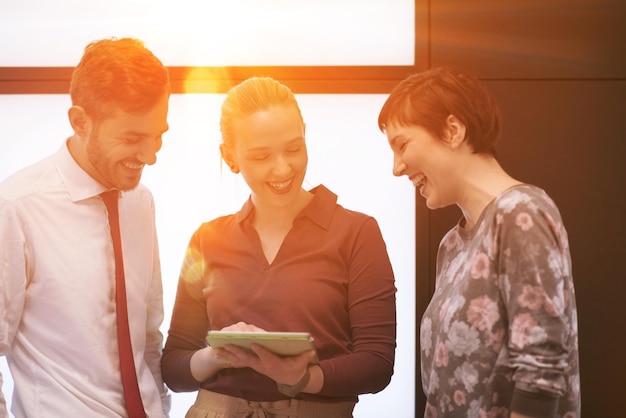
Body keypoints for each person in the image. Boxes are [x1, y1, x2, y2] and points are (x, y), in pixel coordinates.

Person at [161, 76, 397, 417]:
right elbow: (174, 368)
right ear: (230, 156)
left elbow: (377, 365)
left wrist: (302, 378)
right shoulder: (206, 239)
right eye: (261, 156)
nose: (283, 168)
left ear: (305, 134)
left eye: (293, 148)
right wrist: (217, 355)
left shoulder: (357, 233)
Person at [378, 66, 580, 418]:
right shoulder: (452, 245)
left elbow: (541, 368)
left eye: (403, 144)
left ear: (452, 131)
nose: (397, 167)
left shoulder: (520, 213)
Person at [0, 37, 171, 417]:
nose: (150, 156)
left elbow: (148, 337)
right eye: (132, 138)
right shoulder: (16, 208)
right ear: (80, 122)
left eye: (159, 135)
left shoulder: (141, 202)